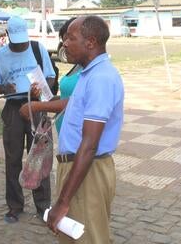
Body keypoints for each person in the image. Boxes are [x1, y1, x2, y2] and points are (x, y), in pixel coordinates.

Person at [46, 16, 124, 243]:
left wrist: (62, 202)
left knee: (89, 238)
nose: (65, 44)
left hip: (87, 171)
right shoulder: (88, 73)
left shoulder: (101, 78)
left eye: (71, 38)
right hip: (77, 167)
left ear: (90, 42)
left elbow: (89, 145)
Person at [0, 16, 55, 223]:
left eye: (23, 41)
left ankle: (43, 207)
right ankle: (15, 206)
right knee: (13, 159)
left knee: (40, 157)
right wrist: (5, 88)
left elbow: (51, 76)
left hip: (37, 107)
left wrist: (42, 87)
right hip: (13, 109)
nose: (20, 46)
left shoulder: (37, 49)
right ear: (8, 36)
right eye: (16, 42)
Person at [19, 17, 80, 134]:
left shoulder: (94, 73)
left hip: (79, 143)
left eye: (69, 39)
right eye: (63, 41)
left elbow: (75, 102)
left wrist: (37, 106)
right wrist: (47, 99)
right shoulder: (79, 65)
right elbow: (66, 97)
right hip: (69, 140)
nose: (64, 45)